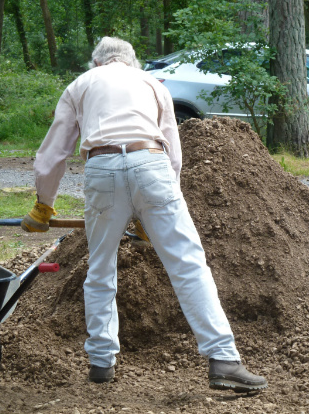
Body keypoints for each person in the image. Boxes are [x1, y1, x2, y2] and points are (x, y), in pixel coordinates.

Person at [21, 37, 268, 391]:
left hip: (101, 167)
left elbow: (52, 155)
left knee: (100, 268)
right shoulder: (152, 83)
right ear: (132, 62)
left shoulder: (80, 85)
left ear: (97, 64)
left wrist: (44, 204)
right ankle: (224, 360)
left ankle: (101, 362)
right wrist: (160, 206)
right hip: (151, 162)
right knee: (188, 264)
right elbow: (174, 151)